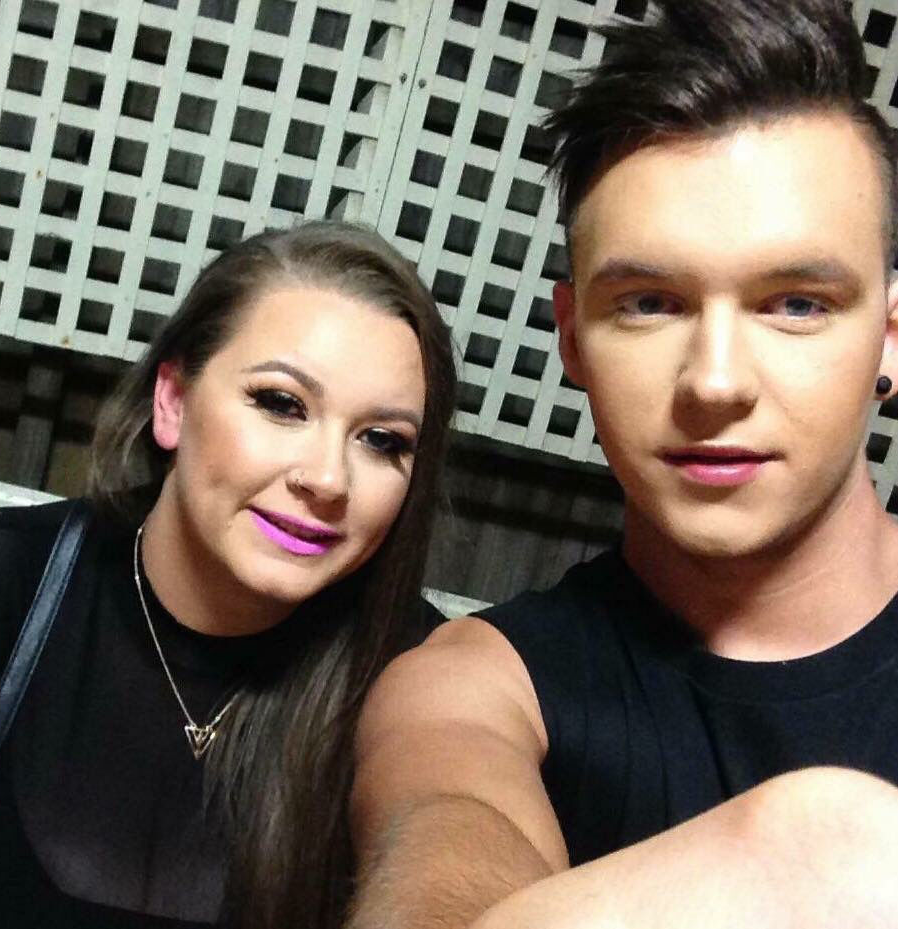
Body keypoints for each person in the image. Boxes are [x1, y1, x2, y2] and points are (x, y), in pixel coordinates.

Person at [346, 2, 898, 927]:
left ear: (889, 336)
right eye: (648, 302)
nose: (714, 382)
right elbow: (444, 845)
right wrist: (803, 854)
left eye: (797, 303)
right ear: (572, 338)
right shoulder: (475, 687)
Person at [0, 220, 456, 929]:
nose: (327, 478)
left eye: (381, 440)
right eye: (281, 404)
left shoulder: (421, 678)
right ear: (173, 401)